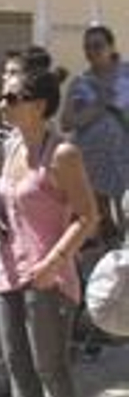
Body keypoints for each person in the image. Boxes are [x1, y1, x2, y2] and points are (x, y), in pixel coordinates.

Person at [0, 51, 99, 397]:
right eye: (3, 97)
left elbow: (88, 217)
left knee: (52, 368)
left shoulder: (62, 153)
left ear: (39, 104)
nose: (2, 104)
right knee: (17, 367)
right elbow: (13, 210)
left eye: (12, 97)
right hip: (8, 271)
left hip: (47, 276)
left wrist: (54, 263)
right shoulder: (9, 147)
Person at [61, 24, 128, 247]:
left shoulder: (126, 74)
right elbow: (67, 122)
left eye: (98, 45)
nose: (92, 51)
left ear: (111, 46)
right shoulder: (80, 83)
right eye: (87, 47)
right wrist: (98, 107)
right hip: (92, 164)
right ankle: (107, 270)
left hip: (124, 158)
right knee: (101, 222)